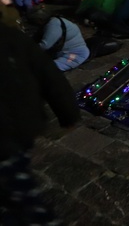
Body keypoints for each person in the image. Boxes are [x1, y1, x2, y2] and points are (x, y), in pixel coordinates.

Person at [0, 21, 80, 225]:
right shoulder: (14, 36)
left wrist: (68, 114)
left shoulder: (14, 37)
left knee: (21, 196)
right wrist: (68, 114)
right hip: (21, 126)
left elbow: (48, 74)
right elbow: (50, 76)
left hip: (8, 135)